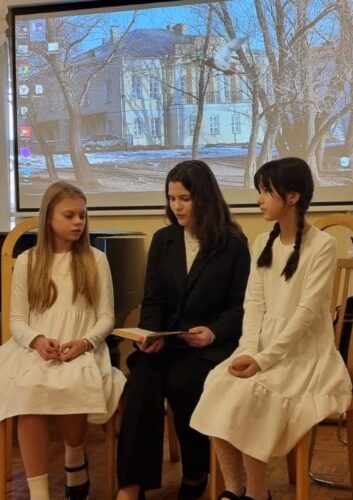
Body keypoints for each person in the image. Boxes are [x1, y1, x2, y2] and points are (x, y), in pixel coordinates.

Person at [191, 157, 352, 500]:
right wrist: (249, 350)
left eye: (266, 191)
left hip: (305, 354)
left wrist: (264, 360)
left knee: (254, 392)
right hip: (261, 346)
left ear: (292, 196)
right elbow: (254, 303)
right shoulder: (262, 241)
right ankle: (234, 489)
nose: (259, 199)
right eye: (259, 191)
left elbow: (307, 314)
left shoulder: (323, 245)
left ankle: (258, 493)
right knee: (218, 382)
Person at [116, 160, 251, 500]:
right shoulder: (163, 240)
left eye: (184, 199)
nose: (176, 206)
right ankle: (131, 485)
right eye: (171, 198)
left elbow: (241, 306)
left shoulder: (233, 243)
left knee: (183, 382)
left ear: (204, 198)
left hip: (209, 347)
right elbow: (153, 299)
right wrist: (150, 334)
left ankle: (196, 470)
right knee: (141, 380)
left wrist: (213, 332)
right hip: (167, 342)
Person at [0, 181, 126, 500]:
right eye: (69, 215)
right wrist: (37, 340)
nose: (78, 222)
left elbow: (106, 317)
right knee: (28, 392)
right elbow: (17, 320)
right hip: (35, 348)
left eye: (82, 215)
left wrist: (84, 342)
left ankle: (74, 460)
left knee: (73, 383)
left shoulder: (96, 259)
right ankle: (39, 492)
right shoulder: (28, 261)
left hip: (82, 346)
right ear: (48, 218)